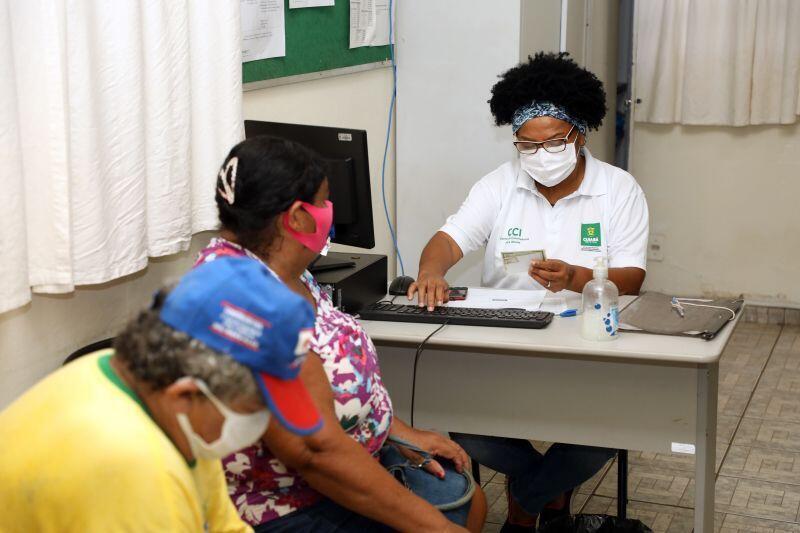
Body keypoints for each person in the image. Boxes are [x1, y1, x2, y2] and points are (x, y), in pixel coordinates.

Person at [409, 52, 649, 531]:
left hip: (587, 341)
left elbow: (633, 279)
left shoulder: (619, 189)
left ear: (579, 133)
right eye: (527, 145)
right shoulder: (500, 185)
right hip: (505, 342)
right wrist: (432, 271)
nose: (541, 155)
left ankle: (525, 502)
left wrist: (577, 279)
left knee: (607, 428)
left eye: (554, 142)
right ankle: (549, 492)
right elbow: (447, 240)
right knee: (466, 424)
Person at [197, 136, 486, 532]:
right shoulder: (242, 306)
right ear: (297, 218)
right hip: (287, 504)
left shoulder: (287, 268)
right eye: (325, 201)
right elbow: (316, 454)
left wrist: (395, 431)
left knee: (471, 500)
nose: (331, 213)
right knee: (452, 516)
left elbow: (337, 385)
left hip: (352, 461)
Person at [0, 256, 323, 533]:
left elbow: (224, 524)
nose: (261, 424)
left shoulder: (166, 411)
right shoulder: (135, 468)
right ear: (185, 396)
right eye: (253, 410)